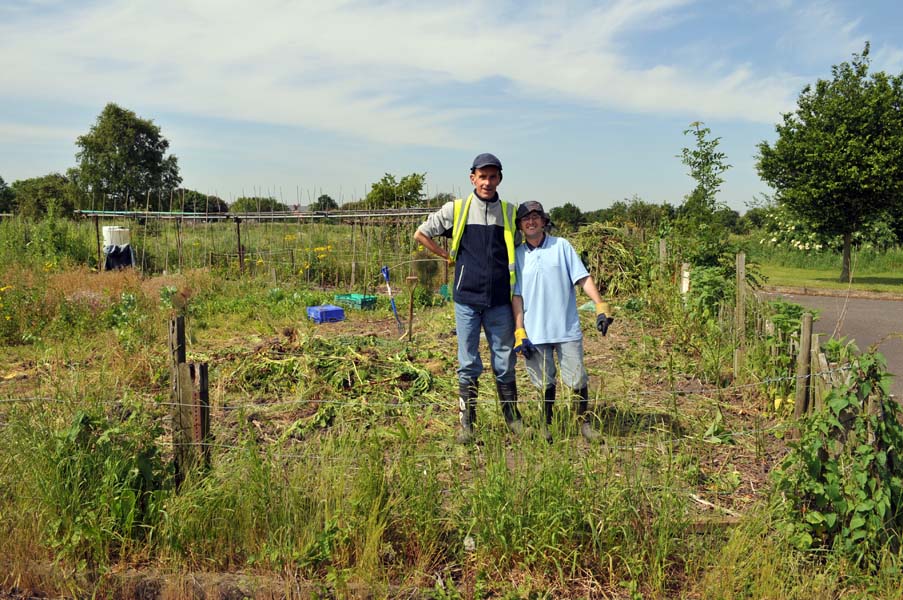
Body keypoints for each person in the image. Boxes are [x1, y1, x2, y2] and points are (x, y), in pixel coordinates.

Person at [414, 153, 524, 443]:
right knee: (468, 362)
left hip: (500, 300)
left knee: (504, 359)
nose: (487, 182)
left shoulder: (510, 213)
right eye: (482, 176)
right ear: (472, 178)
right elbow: (421, 233)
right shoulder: (457, 209)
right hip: (467, 300)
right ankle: (467, 425)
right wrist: (445, 254)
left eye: (493, 176)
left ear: (500, 179)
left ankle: (513, 419)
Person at [511, 201, 613, 443]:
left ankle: (584, 424)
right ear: (520, 225)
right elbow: (517, 296)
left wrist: (600, 306)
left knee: (577, 378)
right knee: (543, 381)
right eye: (526, 218)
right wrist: (519, 331)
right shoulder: (516, 254)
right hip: (535, 332)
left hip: (566, 329)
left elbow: (583, 278)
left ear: (544, 221)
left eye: (536, 216)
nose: (531, 221)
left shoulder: (562, 246)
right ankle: (546, 423)